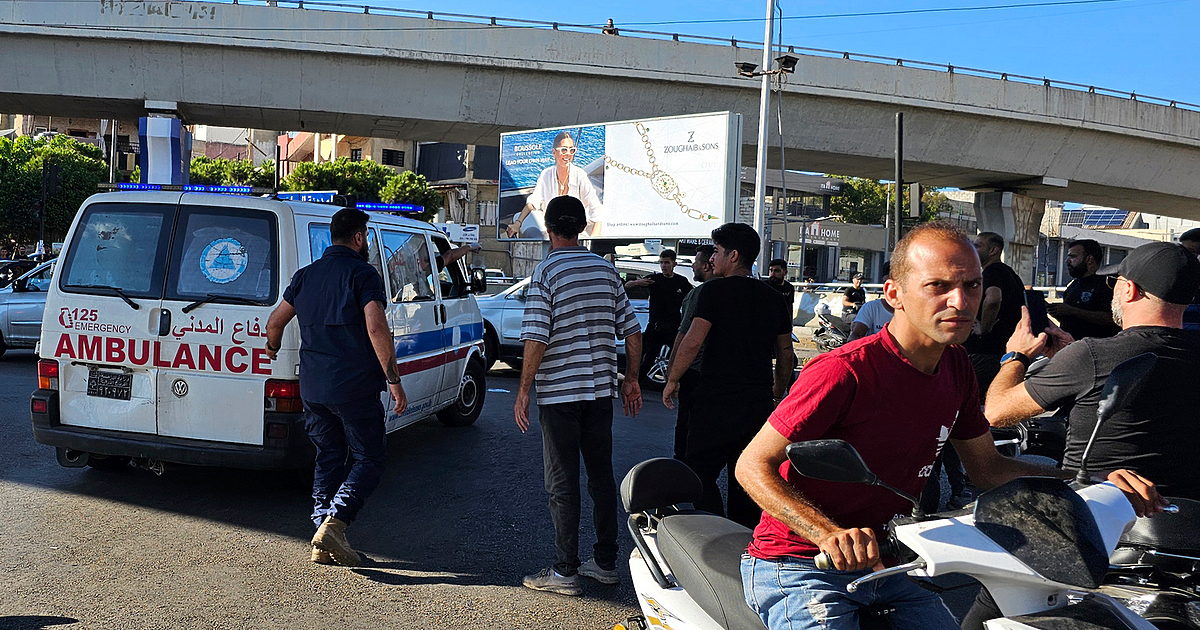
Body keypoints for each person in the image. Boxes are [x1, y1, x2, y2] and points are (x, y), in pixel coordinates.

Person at [733, 221, 1165, 630]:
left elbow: (989, 470)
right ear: (894, 294)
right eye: (938, 286)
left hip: (884, 564)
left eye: (971, 285)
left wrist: (1088, 481)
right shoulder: (845, 371)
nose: (960, 302)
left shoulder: (954, 364)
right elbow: (751, 465)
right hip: (798, 564)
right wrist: (828, 533)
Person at [264, 207, 408, 568]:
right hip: (354, 388)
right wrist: (393, 380)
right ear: (359, 238)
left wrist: (273, 348)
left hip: (314, 387)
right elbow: (376, 328)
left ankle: (321, 537)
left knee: (328, 455)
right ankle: (335, 522)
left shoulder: (305, 276)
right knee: (369, 457)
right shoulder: (364, 274)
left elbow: (274, 323)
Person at [514, 195, 643, 596]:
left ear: (549, 230)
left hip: (558, 396)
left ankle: (564, 571)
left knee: (562, 482)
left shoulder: (547, 272)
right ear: (583, 227)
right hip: (599, 394)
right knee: (601, 477)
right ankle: (605, 563)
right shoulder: (606, 271)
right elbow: (633, 331)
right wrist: (632, 379)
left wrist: (522, 390)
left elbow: (537, 335)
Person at [663, 223, 793, 528]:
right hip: (757, 401)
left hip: (715, 399)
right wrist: (777, 391)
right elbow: (786, 352)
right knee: (746, 475)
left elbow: (693, 341)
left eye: (718, 252)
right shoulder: (774, 297)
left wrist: (672, 380)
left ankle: (713, 531)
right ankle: (743, 540)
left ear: (733, 255)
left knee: (698, 471)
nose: (712, 259)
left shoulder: (713, 291)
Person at [665, 244, 715, 460]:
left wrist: (672, 373)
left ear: (706, 265)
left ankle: (683, 474)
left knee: (686, 427)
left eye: (695, 262)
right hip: (723, 373)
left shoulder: (699, 294)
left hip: (695, 370)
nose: (692, 266)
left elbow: (685, 337)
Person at [505, 131, 604, 239]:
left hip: (576, 234)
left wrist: (593, 241)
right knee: (532, 233)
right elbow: (533, 201)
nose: (568, 154)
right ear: (554, 152)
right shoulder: (546, 175)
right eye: (564, 150)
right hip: (553, 232)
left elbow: (597, 209)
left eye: (572, 150)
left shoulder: (579, 175)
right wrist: (518, 223)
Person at [963, 231, 1025, 398]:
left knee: (973, 400)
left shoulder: (992, 271)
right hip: (1002, 350)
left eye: (978, 245)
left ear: (993, 251)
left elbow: (993, 299)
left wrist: (984, 328)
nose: (973, 249)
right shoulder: (1011, 274)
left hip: (985, 352)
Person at [625, 249, 692, 375]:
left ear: (674, 264)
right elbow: (627, 286)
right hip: (655, 326)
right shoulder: (654, 279)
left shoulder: (681, 281)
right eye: (661, 263)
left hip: (673, 326)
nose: (663, 266)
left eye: (667, 263)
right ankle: (635, 384)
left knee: (677, 358)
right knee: (647, 359)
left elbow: (692, 296)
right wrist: (637, 282)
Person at [1047, 239, 1119, 339]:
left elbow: (1111, 318)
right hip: (1072, 347)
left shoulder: (1108, 284)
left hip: (1098, 348)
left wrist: (1073, 311)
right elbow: (1072, 320)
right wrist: (1056, 311)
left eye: (1072, 256)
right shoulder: (1073, 285)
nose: (1067, 261)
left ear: (1089, 259)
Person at [847, 262, 893, 341]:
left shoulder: (862, 291)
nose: (859, 281)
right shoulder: (849, 290)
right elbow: (856, 336)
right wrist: (853, 304)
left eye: (861, 280)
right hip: (849, 312)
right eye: (858, 280)